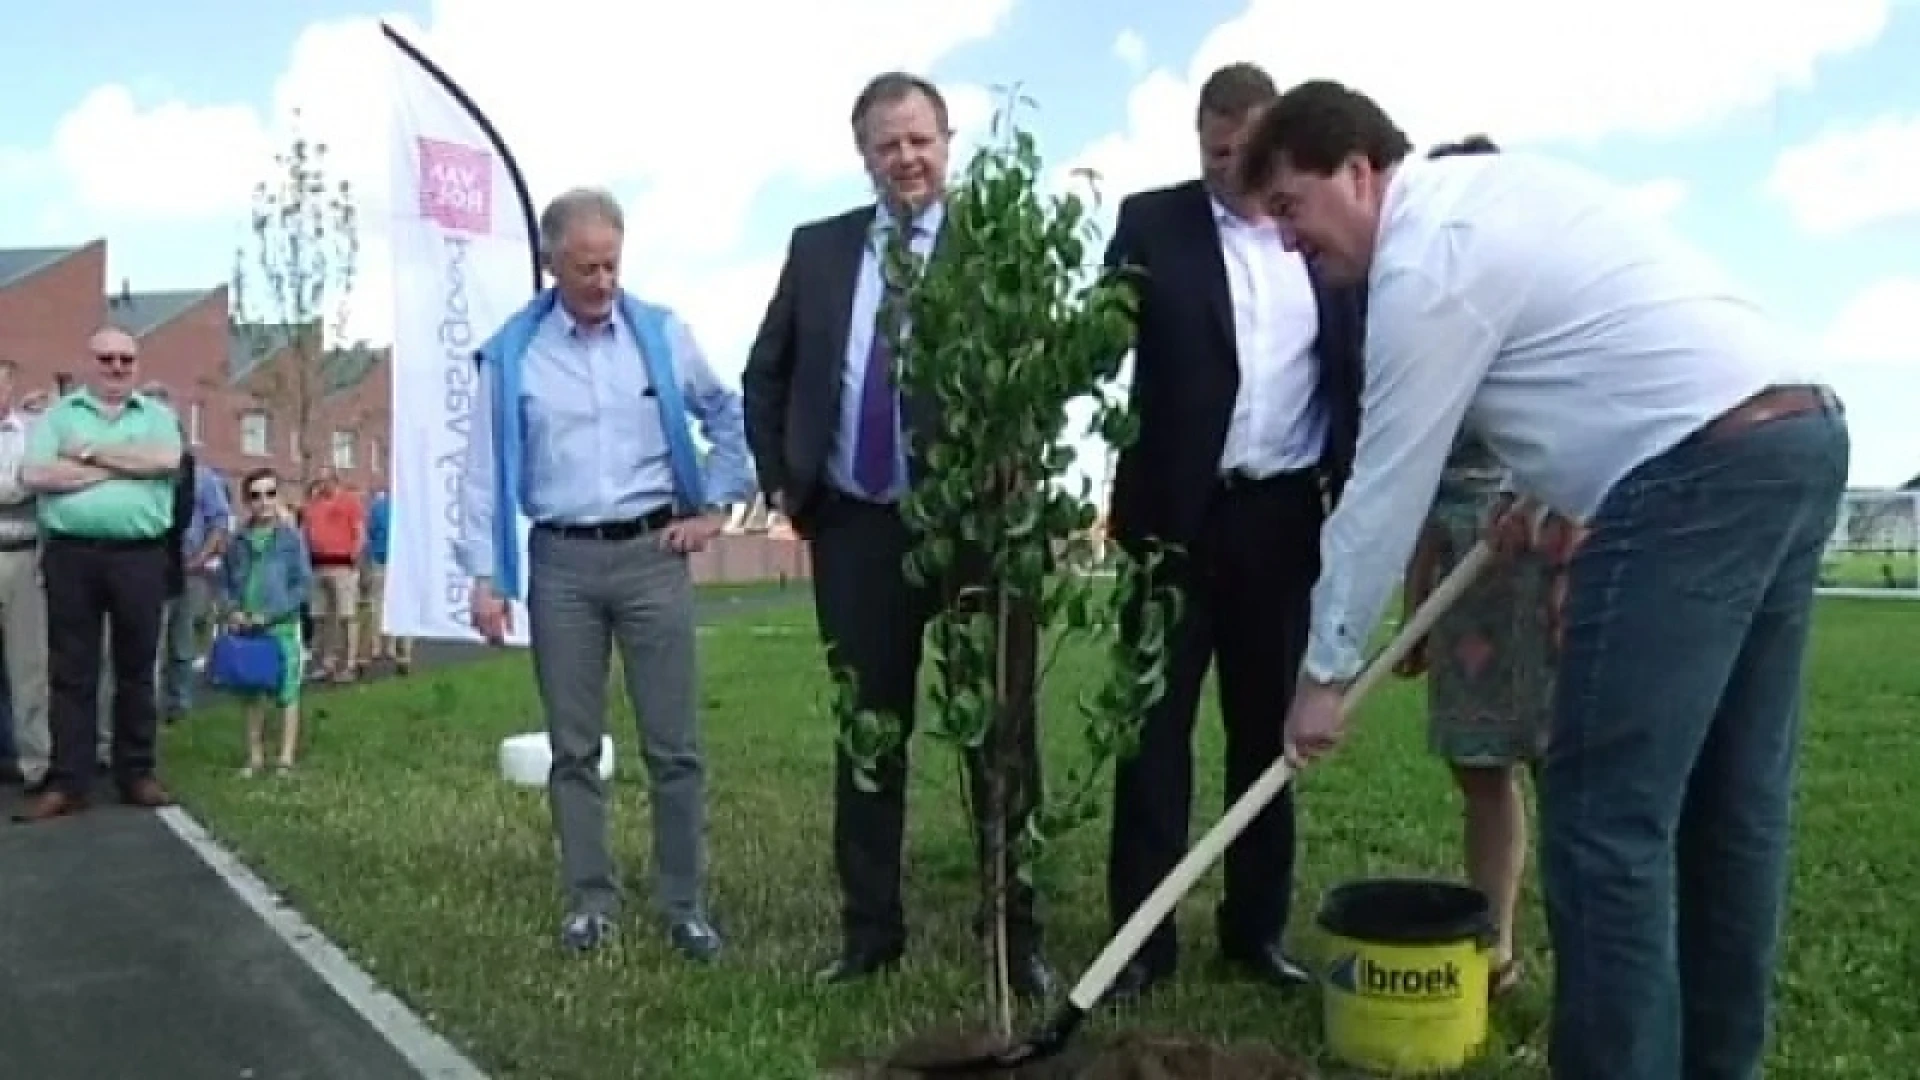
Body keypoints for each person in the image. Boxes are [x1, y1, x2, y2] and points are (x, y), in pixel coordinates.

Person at [1242, 80, 1850, 1079]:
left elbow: (1387, 486)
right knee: (1732, 806)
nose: (1289, 239)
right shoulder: (1498, 199)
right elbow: (1589, 349)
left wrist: (1324, 676)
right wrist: (1545, 484)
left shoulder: (1423, 261)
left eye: (1292, 207)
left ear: (1358, 169)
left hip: (1690, 477)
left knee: (1605, 822)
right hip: (1794, 436)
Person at [741, 70, 1057, 999]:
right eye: (888, 144)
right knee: (869, 738)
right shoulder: (821, 249)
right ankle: (871, 934)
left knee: (1001, 739)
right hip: (857, 531)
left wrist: (1021, 454)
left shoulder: (1000, 243)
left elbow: (1040, 374)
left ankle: (1013, 937)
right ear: (863, 155)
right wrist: (788, 487)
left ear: (947, 140)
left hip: (974, 533)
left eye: (920, 140)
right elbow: (768, 374)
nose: (906, 158)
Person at [1096, 62, 1364, 1002]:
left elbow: (1351, 373)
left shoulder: (1322, 239)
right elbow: (1097, 347)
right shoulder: (1149, 223)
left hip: (1281, 518)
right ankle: (1140, 942)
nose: (1226, 169)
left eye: (1242, 153)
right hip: (1172, 521)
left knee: (1267, 737)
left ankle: (1256, 933)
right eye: (1211, 151)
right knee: (1152, 737)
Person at [458, 186, 750, 959]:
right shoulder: (512, 353)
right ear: (551, 264)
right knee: (574, 746)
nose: (602, 281)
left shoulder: (661, 334)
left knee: (673, 744)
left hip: (654, 556)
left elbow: (727, 412)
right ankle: (591, 901)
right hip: (561, 565)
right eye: (585, 267)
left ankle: (684, 903)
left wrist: (718, 505)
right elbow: (481, 472)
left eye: (612, 264)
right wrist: (484, 576)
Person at [15, 328, 183, 822]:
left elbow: (167, 462)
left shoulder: (158, 417)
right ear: (91, 362)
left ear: (137, 364)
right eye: (106, 359)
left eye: (125, 360)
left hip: (139, 557)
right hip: (72, 556)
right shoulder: (58, 417)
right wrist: (126, 468)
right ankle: (70, 781)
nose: (116, 368)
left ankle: (136, 773)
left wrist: (88, 455)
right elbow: (36, 475)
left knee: (136, 669)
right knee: (71, 671)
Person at [219, 467, 311, 775]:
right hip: (247, 629)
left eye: (270, 493)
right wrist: (232, 610)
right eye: (256, 495)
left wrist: (270, 614)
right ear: (247, 501)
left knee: (288, 692)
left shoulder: (291, 539)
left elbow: (302, 584)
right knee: (252, 693)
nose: (264, 501)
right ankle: (254, 756)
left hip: (281, 627)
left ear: (278, 497)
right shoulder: (238, 541)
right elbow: (225, 581)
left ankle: (285, 758)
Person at [0, 360, 49, 794]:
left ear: (11, 386)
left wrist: (20, 485)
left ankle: (36, 762)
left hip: (22, 556)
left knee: (28, 666)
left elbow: (34, 484)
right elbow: (16, 486)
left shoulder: (33, 433)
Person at [301, 468, 365, 681]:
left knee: (347, 615)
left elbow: (359, 532)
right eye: (318, 481)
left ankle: (350, 663)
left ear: (334, 481)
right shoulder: (313, 504)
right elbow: (306, 531)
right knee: (321, 617)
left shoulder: (349, 502)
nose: (320, 486)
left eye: (324, 481)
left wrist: (354, 557)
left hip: (342, 565)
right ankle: (327, 662)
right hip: (318, 566)